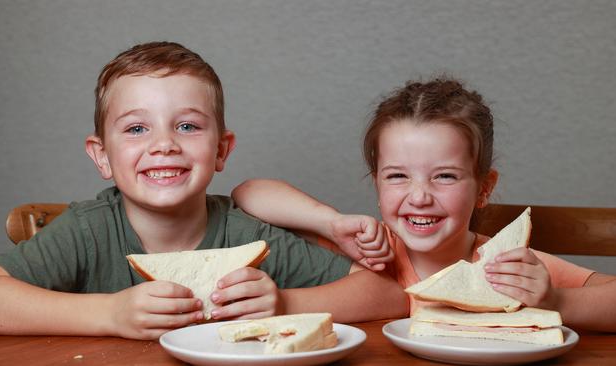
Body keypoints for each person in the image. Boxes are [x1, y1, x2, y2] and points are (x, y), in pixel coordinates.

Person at [0, 41, 405, 340]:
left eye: (188, 126)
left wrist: (284, 302)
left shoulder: (250, 236)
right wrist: (108, 315)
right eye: (137, 128)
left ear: (221, 149)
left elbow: (389, 295)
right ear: (101, 156)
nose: (164, 144)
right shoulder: (86, 232)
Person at [231, 77, 616, 332]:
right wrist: (330, 222)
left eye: (445, 176)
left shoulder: (507, 267)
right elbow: (248, 194)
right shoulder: (363, 250)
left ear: (484, 188)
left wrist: (556, 300)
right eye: (397, 176)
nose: (419, 196)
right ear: (377, 183)